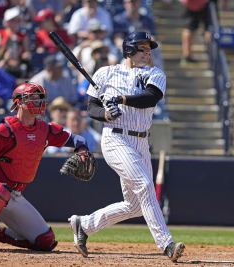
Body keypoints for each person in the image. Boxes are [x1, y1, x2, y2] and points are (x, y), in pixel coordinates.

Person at [68, 31, 185, 262]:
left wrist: (120, 99)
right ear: (129, 50)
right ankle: (167, 244)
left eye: (149, 49)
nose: (147, 53)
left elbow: (150, 98)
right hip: (115, 138)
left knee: (135, 206)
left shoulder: (155, 73)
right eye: (142, 48)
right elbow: (91, 108)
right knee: (144, 185)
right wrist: (106, 114)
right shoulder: (105, 73)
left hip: (141, 141)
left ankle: (85, 224)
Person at [0, 82, 92, 251]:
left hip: (13, 193)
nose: (37, 102)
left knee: (46, 242)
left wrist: (82, 151)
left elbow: (77, 140)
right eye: (31, 98)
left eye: (39, 98)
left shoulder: (44, 129)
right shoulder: (4, 129)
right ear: (18, 103)